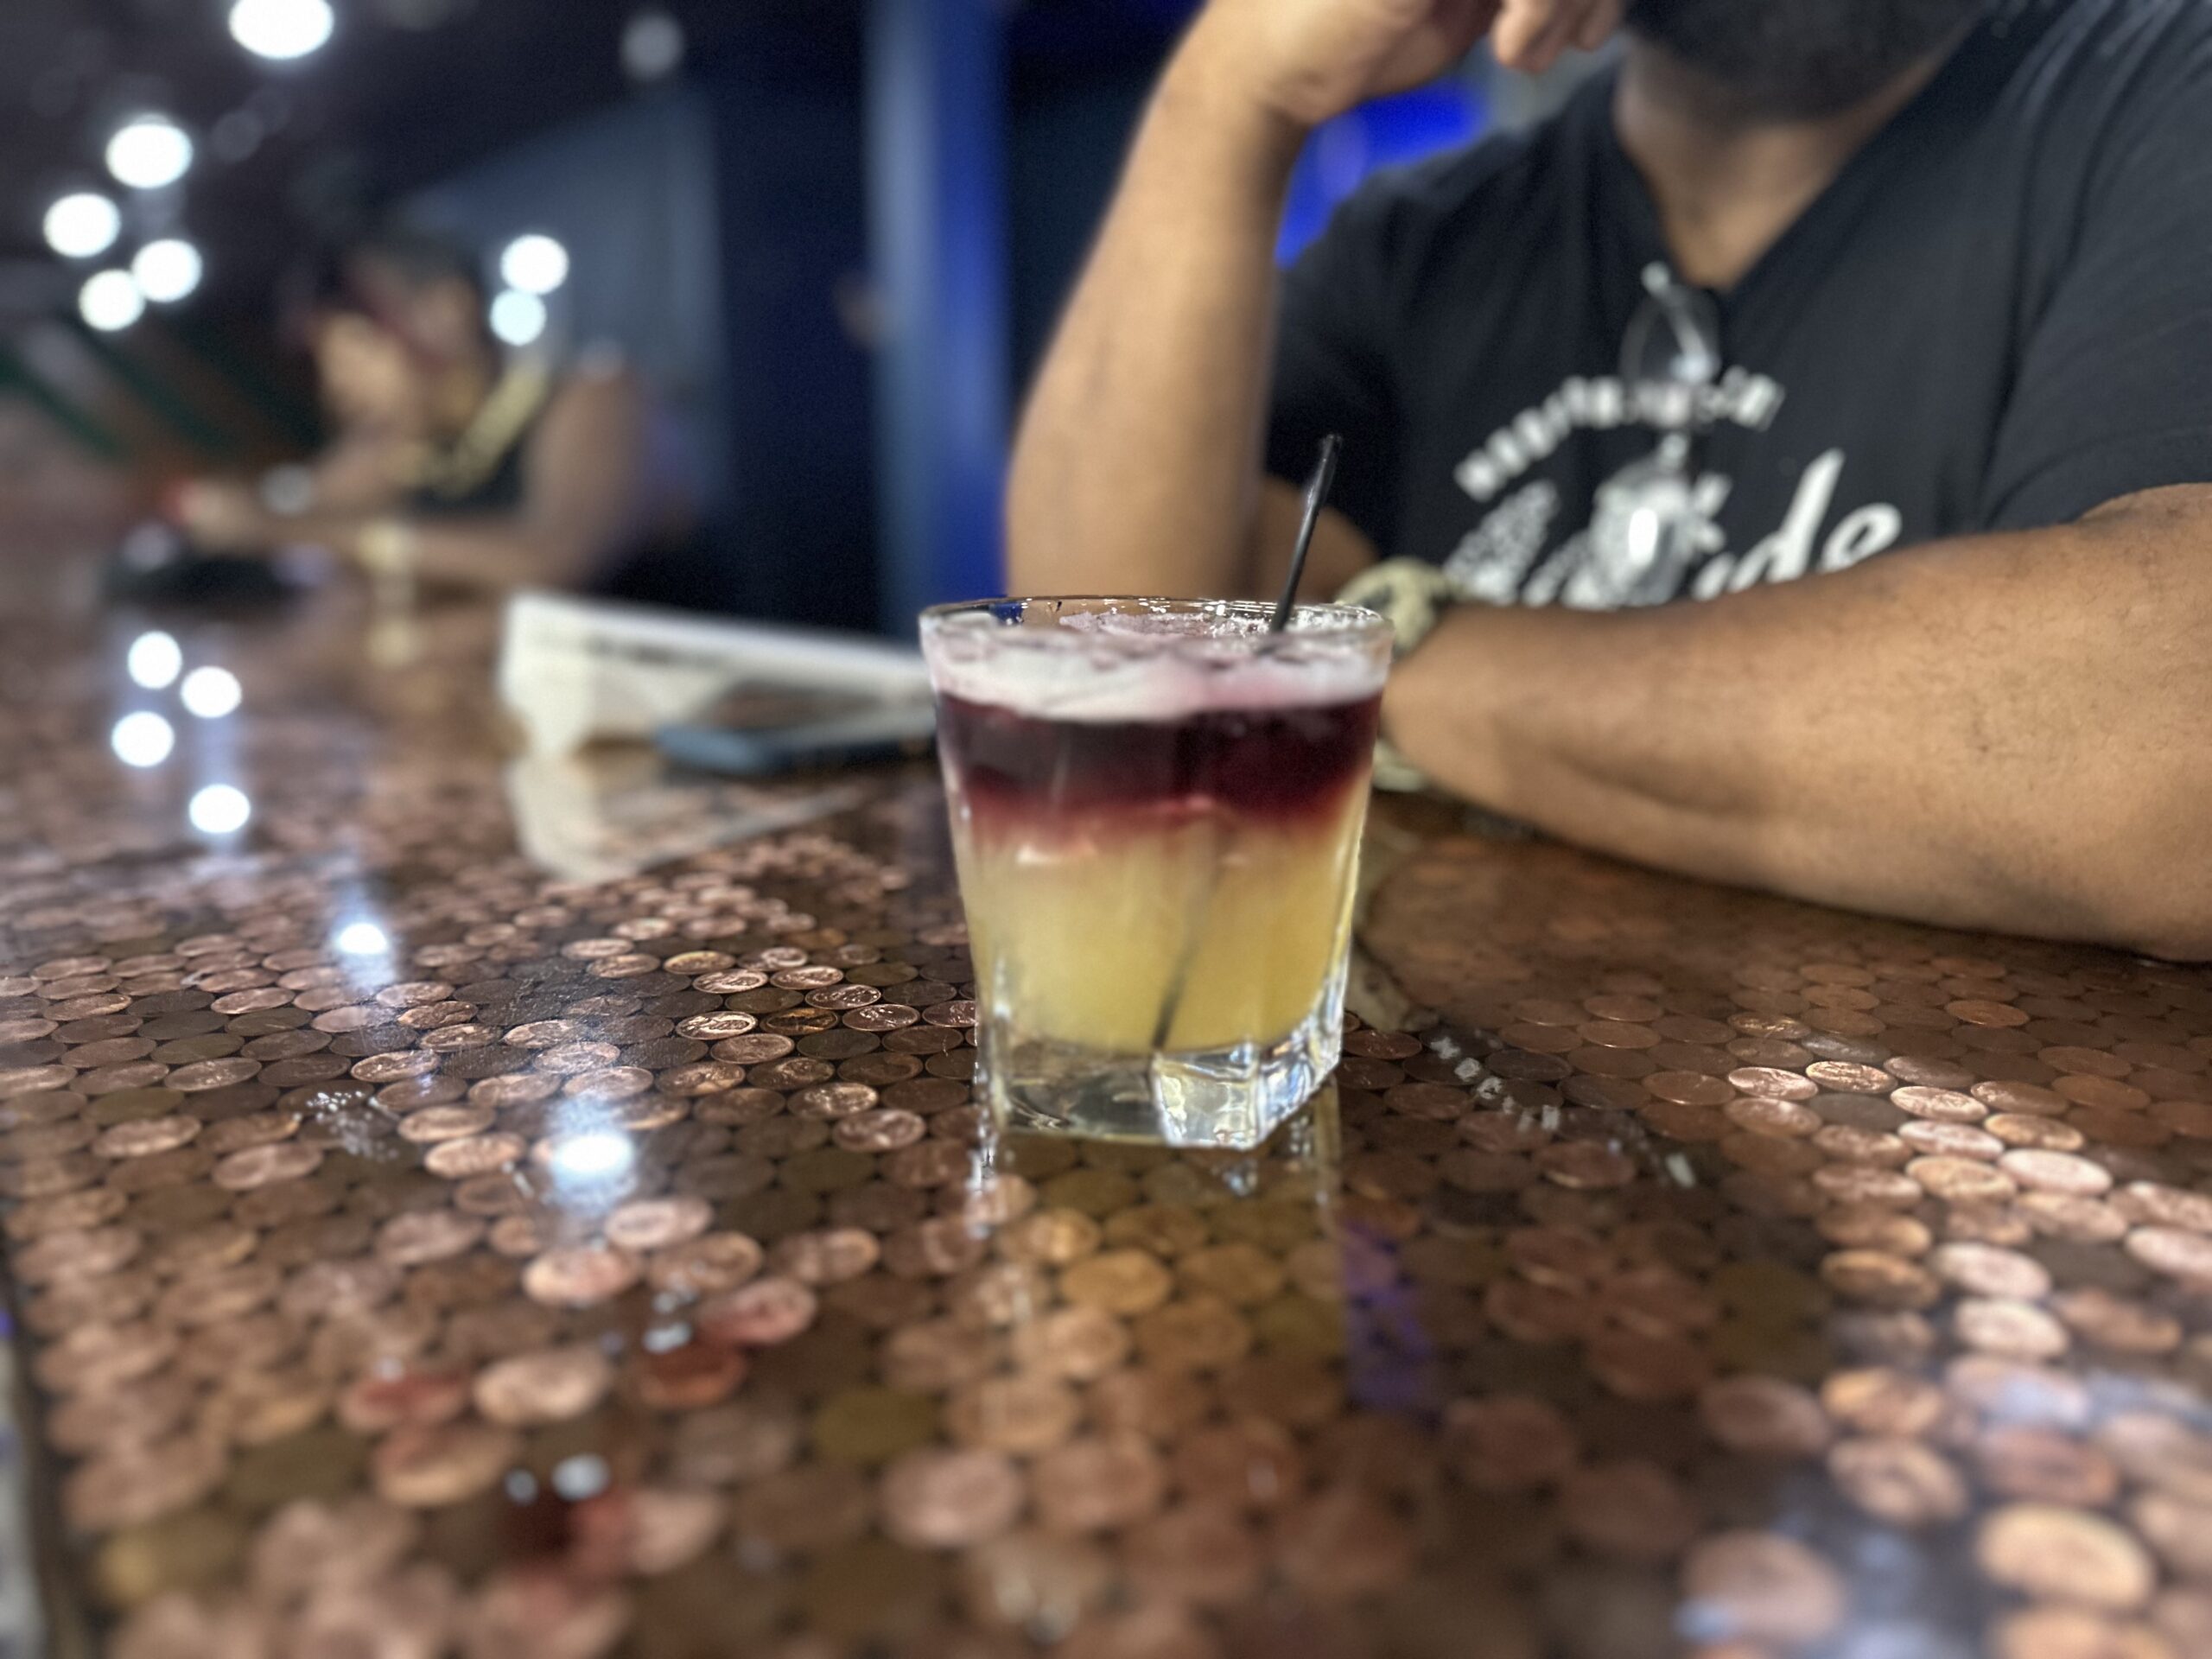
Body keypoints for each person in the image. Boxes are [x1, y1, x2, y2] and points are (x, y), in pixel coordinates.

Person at [1007, 0, 2212, 961]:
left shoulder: (2156, 80)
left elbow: (2169, 765)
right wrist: (1230, 96)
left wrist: (1380, 650)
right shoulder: (1418, 242)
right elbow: (1102, 671)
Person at [177, 228, 700, 599]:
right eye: (328, 365)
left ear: (450, 309)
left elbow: (553, 558)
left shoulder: (598, 397)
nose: (340, 387)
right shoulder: (412, 446)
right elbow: (295, 510)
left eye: (357, 349)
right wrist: (250, 519)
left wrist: (298, 531)